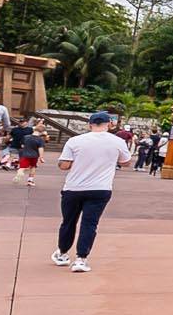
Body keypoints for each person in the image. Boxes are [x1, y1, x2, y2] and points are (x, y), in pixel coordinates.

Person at [52, 111, 128, 272]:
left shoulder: (75, 141)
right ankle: (81, 259)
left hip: (74, 187)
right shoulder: (118, 141)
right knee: (90, 223)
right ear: (109, 124)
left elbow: (64, 165)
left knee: (68, 221)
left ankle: (62, 253)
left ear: (90, 124)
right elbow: (126, 161)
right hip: (100, 188)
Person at [8, 114, 46, 187]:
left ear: (34, 129)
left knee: (22, 167)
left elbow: (22, 145)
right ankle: (30, 180)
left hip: (25, 154)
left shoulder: (26, 137)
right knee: (33, 167)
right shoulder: (40, 140)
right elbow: (41, 149)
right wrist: (41, 157)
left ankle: (19, 173)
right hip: (34, 156)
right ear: (42, 132)